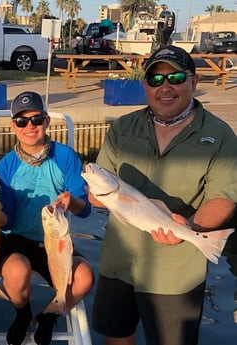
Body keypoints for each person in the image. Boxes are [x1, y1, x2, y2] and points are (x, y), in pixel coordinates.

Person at [90, 45, 237, 345]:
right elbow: (97, 190)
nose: (165, 87)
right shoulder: (121, 128)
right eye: (156, 80)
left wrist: (191, 227)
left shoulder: (220, 136)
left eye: (176, 77)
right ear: (145, 85)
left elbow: (223, 199)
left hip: (176, 272)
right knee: (117, 336)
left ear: (194, 82)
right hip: (119, 263)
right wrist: (95, 194)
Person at [0, 91, 94, 345]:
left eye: (36, 119)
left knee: (85, 278)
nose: (29, 126)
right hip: (17, 238)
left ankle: (50, 314)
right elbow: (9, 217)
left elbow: (84, 209)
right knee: (17, 273)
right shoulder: (5, 165)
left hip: (56, 238)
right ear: (13, 126)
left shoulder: (65, 156)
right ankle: (23, 313)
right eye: (21, 121)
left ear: (47, 121)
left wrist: (71, 201)